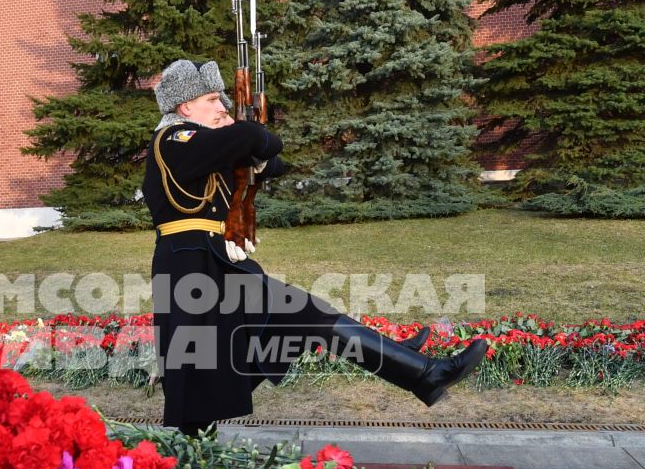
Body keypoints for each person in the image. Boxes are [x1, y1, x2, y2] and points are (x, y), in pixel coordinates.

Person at [142, 59, 487, 434]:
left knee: (303, 319)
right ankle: (416, 369)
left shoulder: (207, 149)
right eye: (212, 99)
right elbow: (254, 140)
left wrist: (248, 140)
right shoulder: (173, 140)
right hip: (190, 265)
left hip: (215, 264)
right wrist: (245, 132)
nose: (222, 107)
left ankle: (417, 369)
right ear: (185, 106)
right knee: (203, 368)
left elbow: (275, 159)